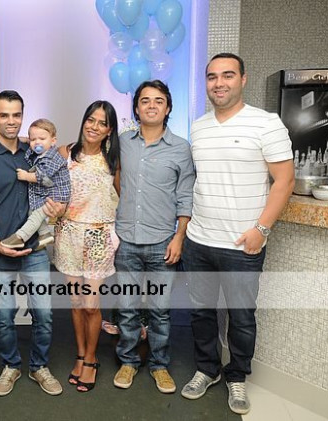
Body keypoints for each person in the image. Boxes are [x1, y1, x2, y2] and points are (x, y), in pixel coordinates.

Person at [180, 53, 294, 415]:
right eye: (212, 77)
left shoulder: (266, 123)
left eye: (228, 75)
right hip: (199, 241)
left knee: (241, 317)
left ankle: (237, 376)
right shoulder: (198, 127)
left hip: (242, 246)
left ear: (243, 79)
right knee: (201, 314)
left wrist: (261, 229)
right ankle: (207, 369)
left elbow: (284, 181)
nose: (219, 83)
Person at [0, 90, 64, 397]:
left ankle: (39, 367)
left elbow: (58, 180)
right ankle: (11, 366)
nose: (11, 121)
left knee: (44, 314)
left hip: (35, 251)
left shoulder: (35, 152)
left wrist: (57, 205)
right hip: (0, 252)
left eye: (17, 115)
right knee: (4, 316)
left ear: (23, 116)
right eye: (4, 115)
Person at [113, 80, 195, 393]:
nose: (151, 105)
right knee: (128, 308)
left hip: (163, 242)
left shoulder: (180, 148)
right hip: (127, 240)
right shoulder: (124, 142)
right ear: (136, 108)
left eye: (158, 100)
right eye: (145, 100)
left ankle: (160, 366)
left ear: (168, 107)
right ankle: (128, 361)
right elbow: (115, 177)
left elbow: (185, 194)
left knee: (160, 311)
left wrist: (179, 237)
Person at [53, 100, 121, 392]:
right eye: (90, 120)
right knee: (75, 302)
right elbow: (47, 184)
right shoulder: (65, 153)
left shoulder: (113, 161)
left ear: (109, 130)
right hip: (67, 234)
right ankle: (80, 355)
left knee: (91, 305)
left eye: (102, 123)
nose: (94, 126)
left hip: (98, 238)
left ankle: (92, 359)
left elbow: (122, 197)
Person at [0, 118, 71, 250]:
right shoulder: (39, 154)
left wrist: (26, 176)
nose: (37, 142)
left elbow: (44, 177)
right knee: (31, 211)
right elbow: (31, 147)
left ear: (53, 141)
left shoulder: (52, 157)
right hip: (45, 193)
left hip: (55, 196)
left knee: (36, 215)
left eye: (42, 139)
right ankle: (45, 234)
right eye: (33, 139)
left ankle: (20, 237)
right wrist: (25, 140)